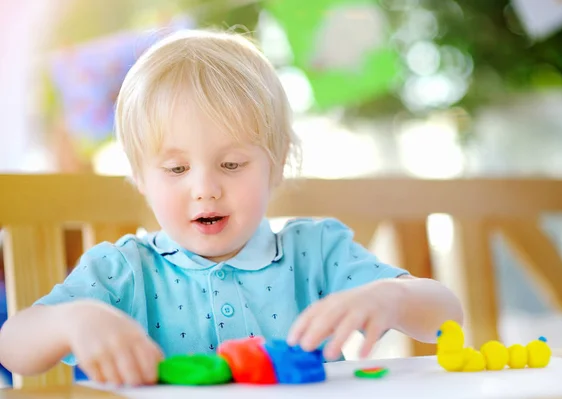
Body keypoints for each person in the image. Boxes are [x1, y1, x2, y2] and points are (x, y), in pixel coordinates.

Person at [0, 29, 463, 387]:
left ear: (276, 164)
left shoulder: (317, 253)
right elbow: (12, 346)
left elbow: (446, 318)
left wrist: (394, 296)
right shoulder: (123, 271)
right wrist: (70, 319)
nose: (205, 188)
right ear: (140, 177)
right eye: (177, 169)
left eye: (231, 163)